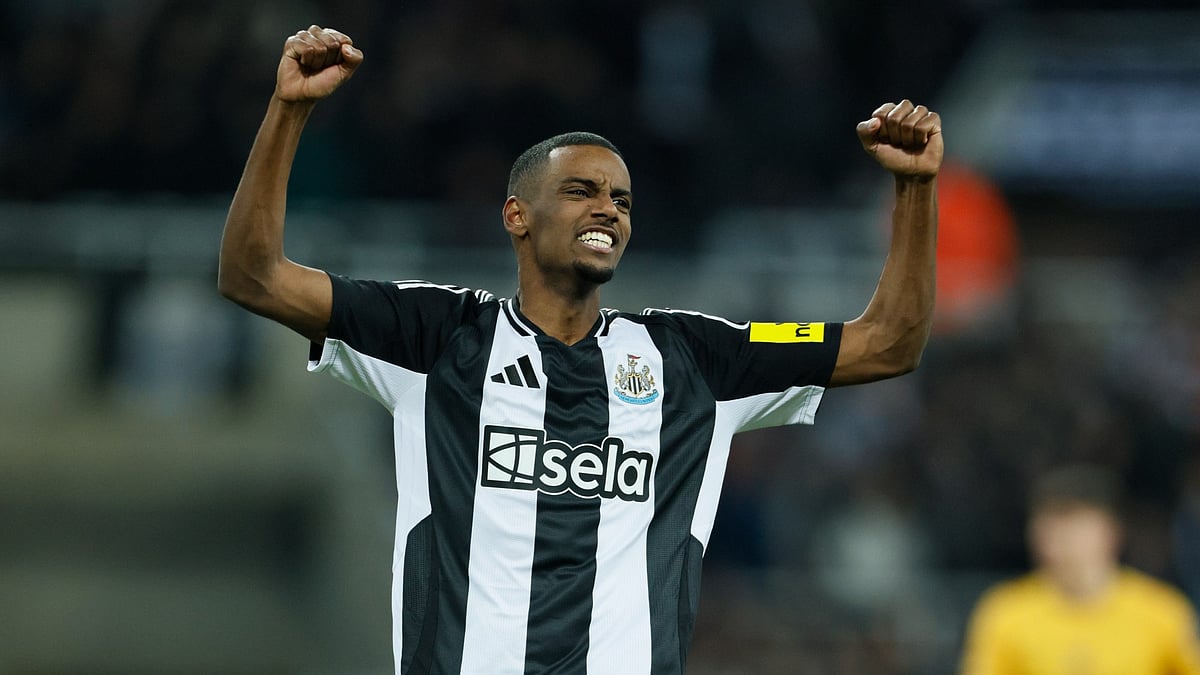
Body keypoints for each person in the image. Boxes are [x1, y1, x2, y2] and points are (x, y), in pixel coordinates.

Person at [218, 25, 942, 674]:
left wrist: (914, 192)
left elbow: (887, 344)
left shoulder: (694, 358)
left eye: (622, 200)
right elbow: (253, 275)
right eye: (581, 190)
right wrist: (289, 111)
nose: (608, 209)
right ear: (517, 215)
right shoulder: (438, 337)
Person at [959, 464, 1200, 675]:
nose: (1060, 542)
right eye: (1049, 529)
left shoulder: (1160, 611)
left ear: (1109, 531)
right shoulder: (1006, 613)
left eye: (1074, 527)